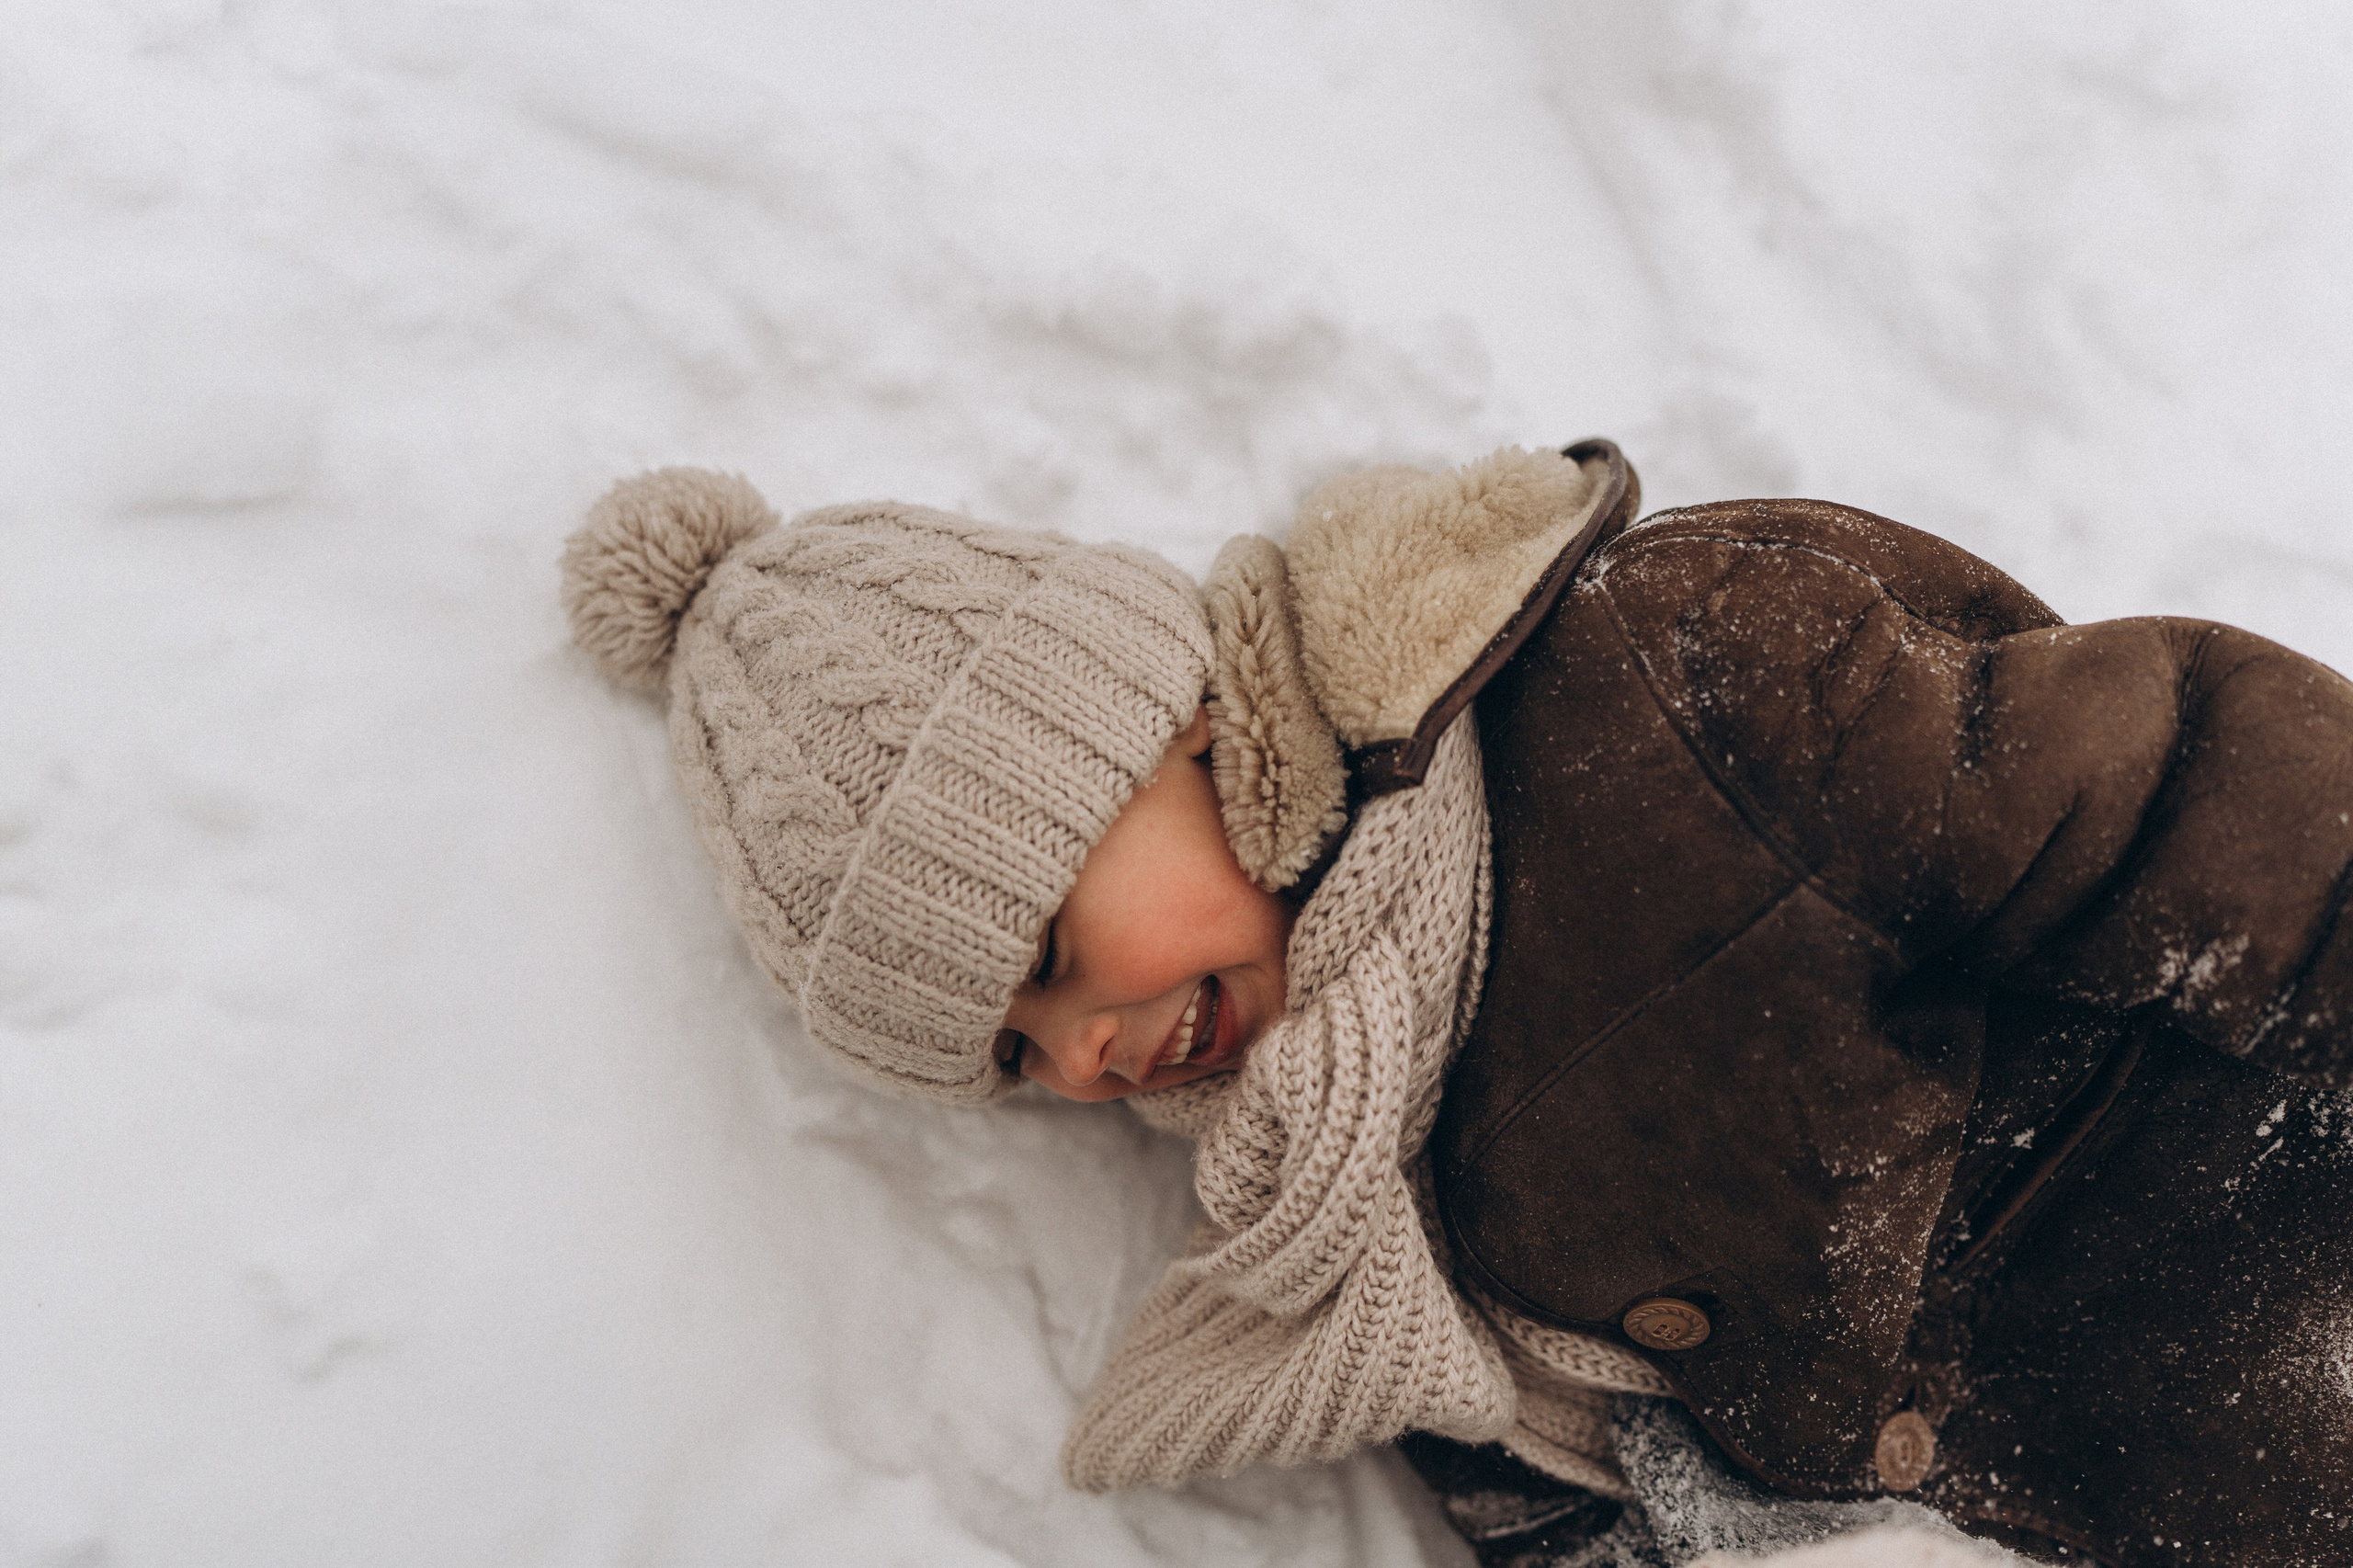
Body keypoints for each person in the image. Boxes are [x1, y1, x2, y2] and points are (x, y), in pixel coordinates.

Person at [559, 442, 2353, 1568]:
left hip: (2269, 1193)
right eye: (1013, 1061)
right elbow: (1550, 1482)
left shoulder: (1650, 689)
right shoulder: (1332, 1221)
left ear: (1172, 732)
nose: (1079, 1053)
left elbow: (2155, 788)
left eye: (1040, 956)